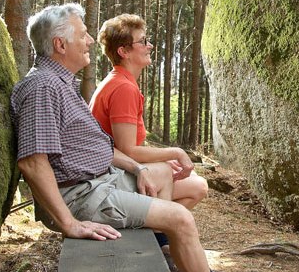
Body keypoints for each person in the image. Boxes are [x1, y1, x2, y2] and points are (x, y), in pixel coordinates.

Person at [10, 3, 221, 272]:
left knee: (159, 172)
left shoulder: (61, 83)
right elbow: (33, 162)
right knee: (180, 218)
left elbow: (100, 147)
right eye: (83, 35)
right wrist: (69, 223)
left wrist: (138, 168)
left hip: (100, 181)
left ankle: (162, 254)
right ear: (60, 44)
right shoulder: (43, 88)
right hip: (81, 195)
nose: (89, 42)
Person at [89, 13, 209, 211]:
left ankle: (158, 232)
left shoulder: (119, 81)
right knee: (197, 186)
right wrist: (176, 152)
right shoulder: (123, 88)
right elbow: (128, 150)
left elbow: (125, 146)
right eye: (143, 41)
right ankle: (158, 233)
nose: (150, 46)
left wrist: (164, 157)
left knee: (188, 176)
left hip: (113, 168)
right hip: (110, 175)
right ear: (123, 51)